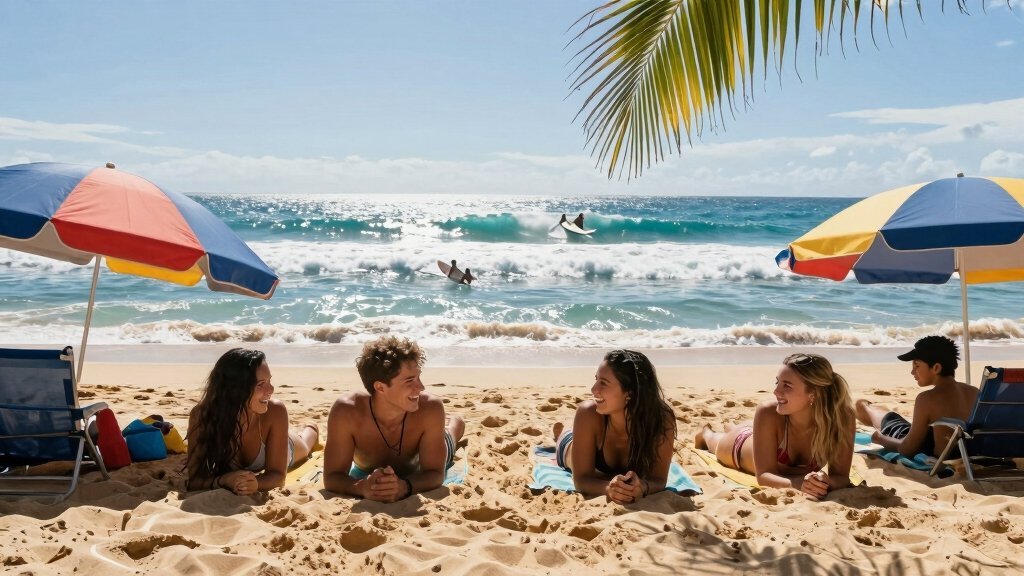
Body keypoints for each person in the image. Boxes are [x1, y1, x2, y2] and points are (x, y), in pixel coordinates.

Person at [694, 353, 855, 500]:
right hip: (739, 446)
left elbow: (841, 476)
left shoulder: (842, 418)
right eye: (777, 382)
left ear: (814, 393)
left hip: (768, 433)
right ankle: (706, 432)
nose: (776, 391)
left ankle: (731, 425)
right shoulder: (768, 411)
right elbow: (764, 476)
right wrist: (801, 484)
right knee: (714, 440)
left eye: (787, 385)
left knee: (752, 430)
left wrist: (825, 482)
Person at [323, 336, 465, 501]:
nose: (421, 387)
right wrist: (361, 488)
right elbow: (332, 477)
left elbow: (435, 473)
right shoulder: (347, 411)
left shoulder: (431, 409)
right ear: (380, 387)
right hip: (368, 467)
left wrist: (404, 487)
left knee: (450, 435)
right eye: (410, 380)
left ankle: (454, 424)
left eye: (418, 377)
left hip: (418, 461)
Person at [186, 348, 319, 495]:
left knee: (305, 446)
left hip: (286, 445)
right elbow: (194, 480)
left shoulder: (275, 410)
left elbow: (278, 476)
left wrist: (257, 484)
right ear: (234, 390)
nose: (271, 389)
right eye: (260, 384)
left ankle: (311, 428)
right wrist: (224, 480)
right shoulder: (202, 417)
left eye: (269, 381)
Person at [552, 350, 676, 504]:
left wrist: (643, 487)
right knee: (565, 442)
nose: (593, 389)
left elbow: (658, 479)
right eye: (596, 379)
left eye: (603, 383)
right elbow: (581, 480)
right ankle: (561, 433)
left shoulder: (662, 420)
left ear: (629, 393)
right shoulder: (588, 413)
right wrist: (607, 489)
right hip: (571, 446)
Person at [855, 335, 978, 458]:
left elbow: (908, 449)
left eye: (916, 366)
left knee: (879, 415)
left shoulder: (927, 398)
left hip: (932, 449)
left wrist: (880, 439)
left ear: (936, 368)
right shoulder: (974, 392)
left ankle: (864, 406)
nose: (912, 372)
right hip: (968, 450)